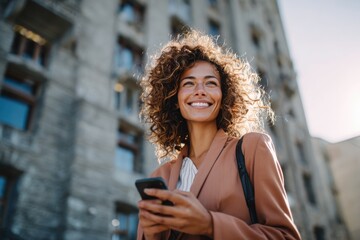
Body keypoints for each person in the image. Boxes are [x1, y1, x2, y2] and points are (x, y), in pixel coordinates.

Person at [137, 29, 301, 240]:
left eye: (211, 83)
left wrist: (210, 225)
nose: (200, 90)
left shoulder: (252, 148)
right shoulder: (159, 177)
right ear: (174, 99)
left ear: (224, 96)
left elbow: (285, 236)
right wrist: (152, 234)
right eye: (188, 83)